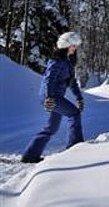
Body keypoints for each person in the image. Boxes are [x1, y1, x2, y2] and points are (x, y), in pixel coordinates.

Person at [21, 31, 85, 163]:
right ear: (66, 45)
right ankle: (76, 148)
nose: (75, 48)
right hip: (51, 96)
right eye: (73, 45)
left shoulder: (68, 63)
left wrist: (79, 98)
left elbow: (72, 83)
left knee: (51, 127)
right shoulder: (57, 61)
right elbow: (49, 79)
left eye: (76, 45)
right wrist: (49, 97)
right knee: (74, 114)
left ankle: (30, 155)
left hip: (54, 96)